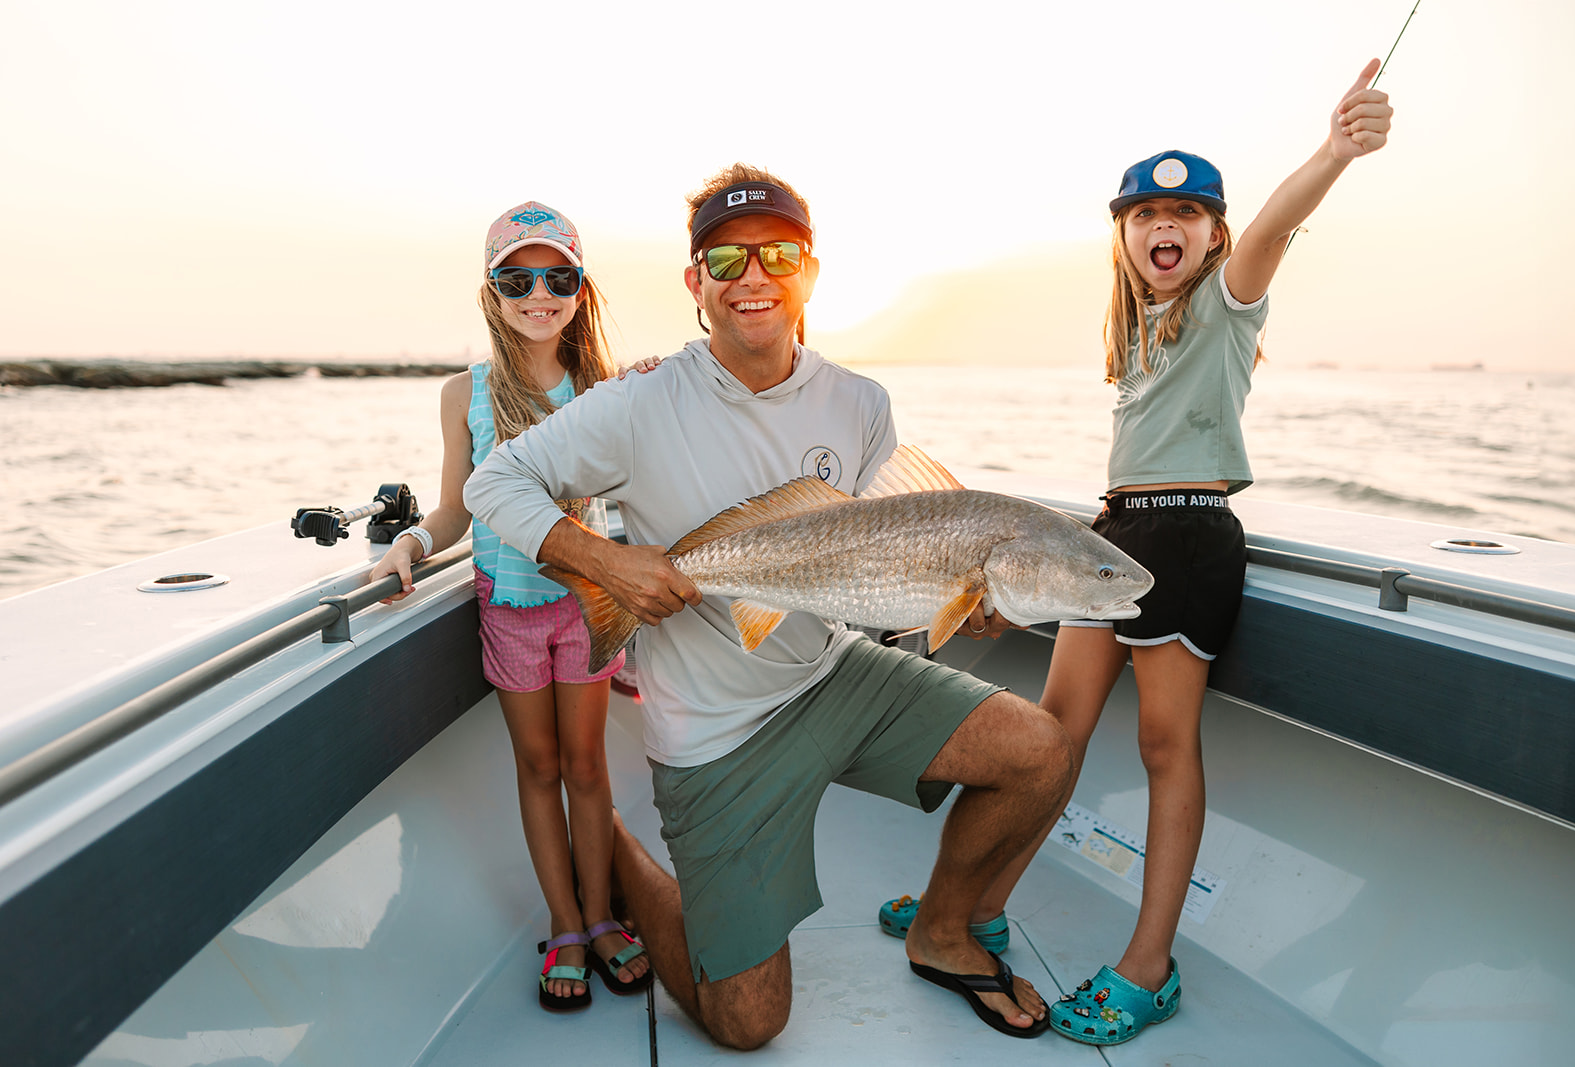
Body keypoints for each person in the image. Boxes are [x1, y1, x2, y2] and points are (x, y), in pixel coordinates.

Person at [463, 164, 1074, 1049]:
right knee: (747, 1022)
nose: (753, 276)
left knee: (1040, 751)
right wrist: (606, 561)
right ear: (695, 283)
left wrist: (967, 595)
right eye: (726, 259)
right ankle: (625, 861)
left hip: (832, 674)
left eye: (778, 254)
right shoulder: (636, 402)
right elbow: (496, 481)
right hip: (715, 730)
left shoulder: (861, 403)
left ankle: (942, 930)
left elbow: (883, 560)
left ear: (811, 272)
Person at [880, 62, 1396, 1047]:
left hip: (1187, 541)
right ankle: (978, 901)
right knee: (1049, 735)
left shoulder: (1224, 301)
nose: (1166, 225)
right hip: (1112, 533)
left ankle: (1148, 965)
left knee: (1164, 748)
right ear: (1122, 235)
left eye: (1187, 213)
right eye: (1145, 212)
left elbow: (1277, 229)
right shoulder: (1138, 329)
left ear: (1212, 234)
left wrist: (1332, 150)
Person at [368, 201, 651, 1012]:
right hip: (509, 610)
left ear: (580, 287)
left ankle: (600, 917)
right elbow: (458, 507)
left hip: (587, 607)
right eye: (517, 277)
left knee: (590, 766)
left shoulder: (600, 385)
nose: (539, 293)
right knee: (539, 767)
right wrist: (412, 545)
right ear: (491, 291)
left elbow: (645, 484)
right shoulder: (465, 391)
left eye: (557, 276)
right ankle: (563, 924)